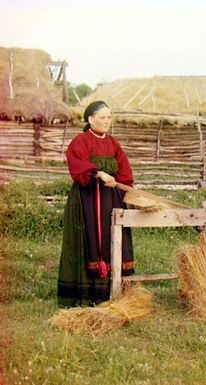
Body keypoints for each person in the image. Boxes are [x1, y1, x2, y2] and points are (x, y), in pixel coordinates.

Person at [57, 101, 134, 307]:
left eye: (109, 117)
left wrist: (129, 190)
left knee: (112, 237)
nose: (107, 121)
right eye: (103, 117)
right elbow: (77, 165)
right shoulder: (80, 141)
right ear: (91, 119)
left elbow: (124, 170)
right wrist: (98, 172)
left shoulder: (113, 143)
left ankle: (113, 291)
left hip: (111, 199)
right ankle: (87, 292)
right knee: (90, 238)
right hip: (87, 201)